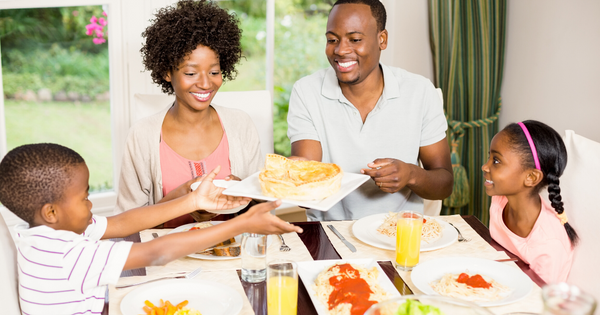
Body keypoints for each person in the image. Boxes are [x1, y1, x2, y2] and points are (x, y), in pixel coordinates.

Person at [0, 143, 301, 315]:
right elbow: (156, 252)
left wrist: (193, 201)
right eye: (85, 197)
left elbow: (121, 223)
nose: (91, 204)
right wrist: (241, 223)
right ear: (51, 212)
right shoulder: (69, 255)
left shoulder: (41, 234)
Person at [287, 0, 453, 220]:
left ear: (381, 39)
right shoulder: (306, 91)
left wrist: (411, 175)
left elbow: (444, 184)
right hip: (330, 235)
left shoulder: (420, 91)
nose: (340, 50)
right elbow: (306, 178)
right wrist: (294, 178)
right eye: (331, 40)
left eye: (355, 39)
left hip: (400, 234)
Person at [115, 0, 262, 227]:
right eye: (191, 73)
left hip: (232, 252)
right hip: (167, 256)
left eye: (214, 71)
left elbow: (261, 207)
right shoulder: (143, 135)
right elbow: (128, 223)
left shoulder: (241, 124)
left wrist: (243, 190)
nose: (205, 83)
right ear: (166, 72)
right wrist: (187, 197)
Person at [482, 120, 578, 283]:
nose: (485, 166)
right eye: (489, 157)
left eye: (496, 161)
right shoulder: (499, 200)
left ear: (531, 177)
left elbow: (537, 301)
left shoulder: (548, 244)